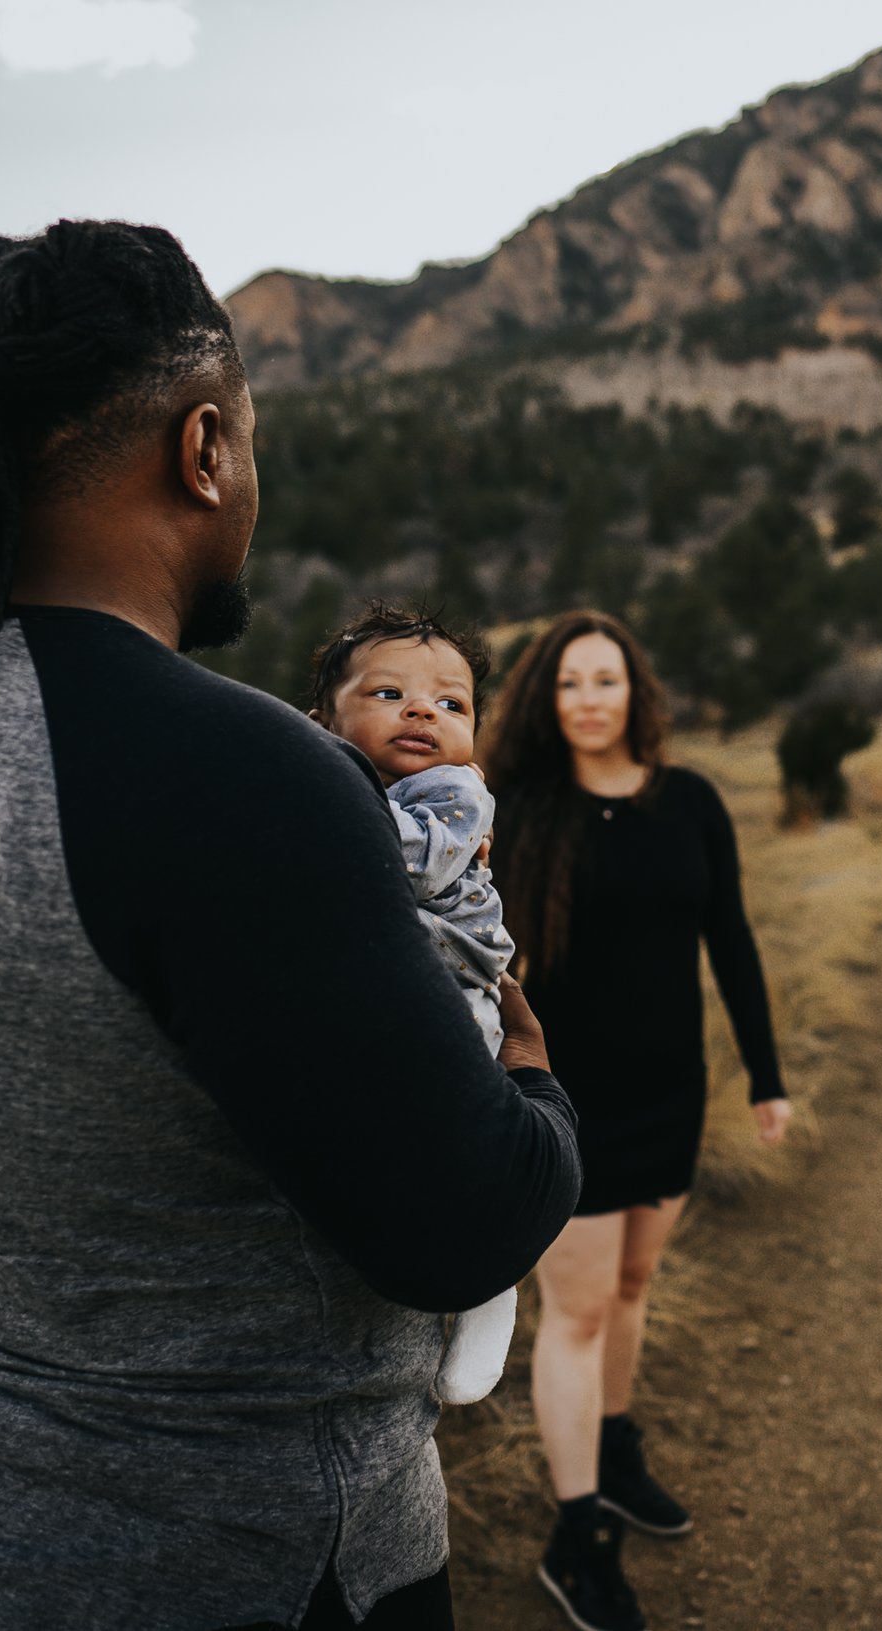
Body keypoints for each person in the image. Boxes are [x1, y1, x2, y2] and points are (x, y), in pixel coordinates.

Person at [0, 221, 581, 1631]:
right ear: (204, 446)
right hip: (255, 1555)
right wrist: (534, 1087)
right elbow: (461, 1226)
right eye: (252, 443)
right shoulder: (238, 768)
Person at [482, 611, 789, 1631]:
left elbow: (731, 937)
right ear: (546, 698)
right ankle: (577, 1536)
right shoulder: (519, 810)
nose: (588, 699)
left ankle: (615, 1449)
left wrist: (766, 1074)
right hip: (569, 1105)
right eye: (569, 683)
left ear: (635, 692)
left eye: (605, 679)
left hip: (672, 1093)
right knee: (572, 1314)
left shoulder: (690, 802)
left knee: (632, 1285)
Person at [306, 602, 521, 1407]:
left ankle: (493, 1277)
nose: (423, 710)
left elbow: (419, 869)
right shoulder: (332, 778)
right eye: (389, 694)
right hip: (377, 987)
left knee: (455, 1133)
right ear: (323, 719)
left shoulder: (455, 789)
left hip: (457, 990)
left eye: (451, 703)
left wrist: (311, 812)